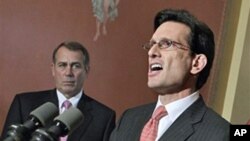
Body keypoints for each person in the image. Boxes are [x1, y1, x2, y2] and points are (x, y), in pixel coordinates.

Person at [110, 9, 230, 141]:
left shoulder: (221, 133)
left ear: (196, 63)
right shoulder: (128, 119)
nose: (151, 52)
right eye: (152, 45)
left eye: (166, 44)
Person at [1, 41, 116, 141]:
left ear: (86, 71)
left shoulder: (104, 116)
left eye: (76, 66)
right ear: (53, 70)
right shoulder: (24, 104)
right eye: (62, 65)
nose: (68, 73)